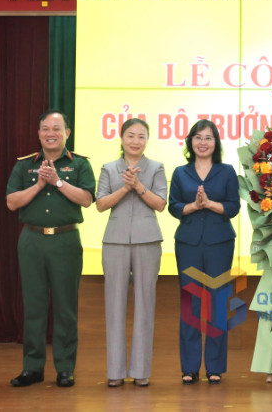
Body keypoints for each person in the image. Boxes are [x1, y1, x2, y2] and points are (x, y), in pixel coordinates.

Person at [6, 109, 96, 388]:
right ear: (39, 133)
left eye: (57, 128)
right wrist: (39, 184)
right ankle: (32, 368)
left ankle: (65, 368)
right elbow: (11, 202)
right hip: (31, 240)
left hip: (65, 241)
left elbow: (86, 199)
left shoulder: (79, 164)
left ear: (67, 133)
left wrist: (57, 181)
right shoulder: (24, 166)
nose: (51, 133)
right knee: (34, 306)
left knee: (66, 308)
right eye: (45, 128)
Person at [95, 118, 167, 388]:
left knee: (145, 304)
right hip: (114, 241)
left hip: (148, 240)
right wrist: (125, 187)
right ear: (121, 137)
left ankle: (140, 371)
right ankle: (115, 371)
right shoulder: (109, 168)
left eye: (142, 136)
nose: (136, 141)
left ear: (147, 140)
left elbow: (160, 204)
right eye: (131, 135)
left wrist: (138, 186)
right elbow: (101, 204)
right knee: (114, 305)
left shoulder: (157, 167)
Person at [168, 119, 240, 386]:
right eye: (198, 137)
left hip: (219, 243)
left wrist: (209, 203)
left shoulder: (227, 171)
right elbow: (173, 207)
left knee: (217, 304)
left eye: (208, 138)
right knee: (190, 305)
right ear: (190, 142)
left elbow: (233, 207)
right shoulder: (180, 172)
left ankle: (215, 367)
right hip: (187, 243)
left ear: (216, 143)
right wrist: (194, 206)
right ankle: (189, 367)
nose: (202, 142)